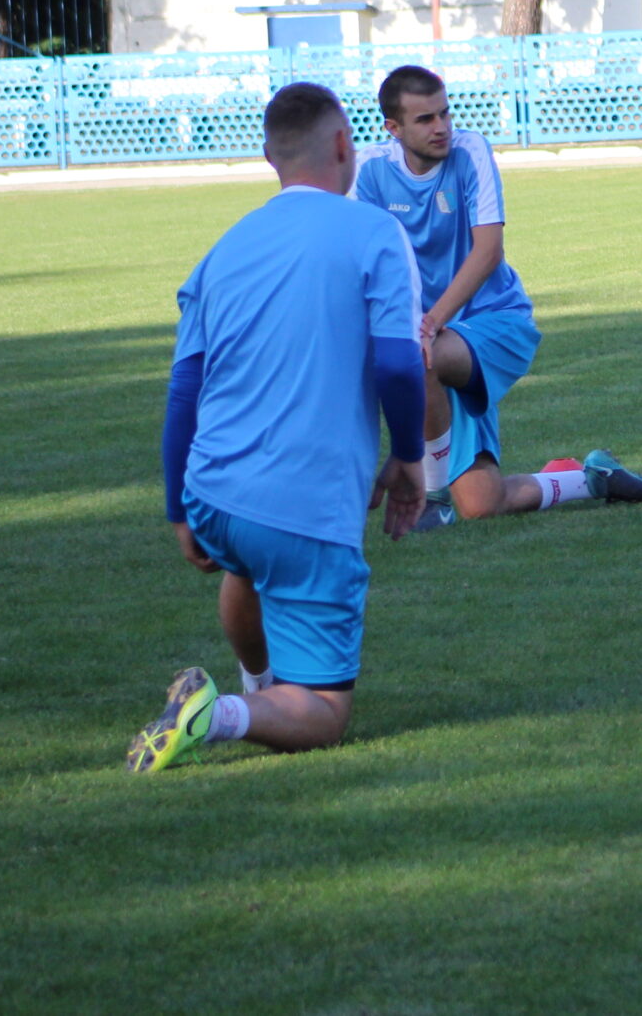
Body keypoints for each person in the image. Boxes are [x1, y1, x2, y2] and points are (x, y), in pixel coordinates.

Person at [128, 84, 428, 772]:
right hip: (306, 505)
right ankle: (223, 713)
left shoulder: (223, 249)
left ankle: (258, 686)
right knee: (324, 713)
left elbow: (184, 390)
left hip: (215, 491)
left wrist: (179, 510)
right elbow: (399, 363)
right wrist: (410, 457)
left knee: (247, 560)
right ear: (345, 146)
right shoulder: (375, 232)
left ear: (270, 157)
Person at [355, 65, 642, 526]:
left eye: (445, 113)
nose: (441, 127)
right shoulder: (370, 170)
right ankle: (592, 478)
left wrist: (430, 322)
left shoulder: (471, 151)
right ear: (393, 128)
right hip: (435, 335)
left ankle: (432, 499)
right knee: (482, 505)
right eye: (425, 119)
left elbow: (488, 251)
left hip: (494, 320)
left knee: (422, 357)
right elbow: (359, 264)